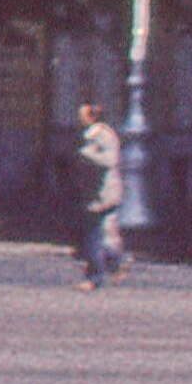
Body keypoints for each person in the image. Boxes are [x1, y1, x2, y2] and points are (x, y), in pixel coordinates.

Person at [72, 101, 125, 289]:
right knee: (103, 236)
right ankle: (118, 262)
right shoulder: (89, 135)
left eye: (82, 115)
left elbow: (110, 161)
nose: (79, 118)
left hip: (104, 194)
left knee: (93, 238)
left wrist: (87, 155)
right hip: (93, 194)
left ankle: (95, 278)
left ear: (92, 116)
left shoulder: (104, 135)